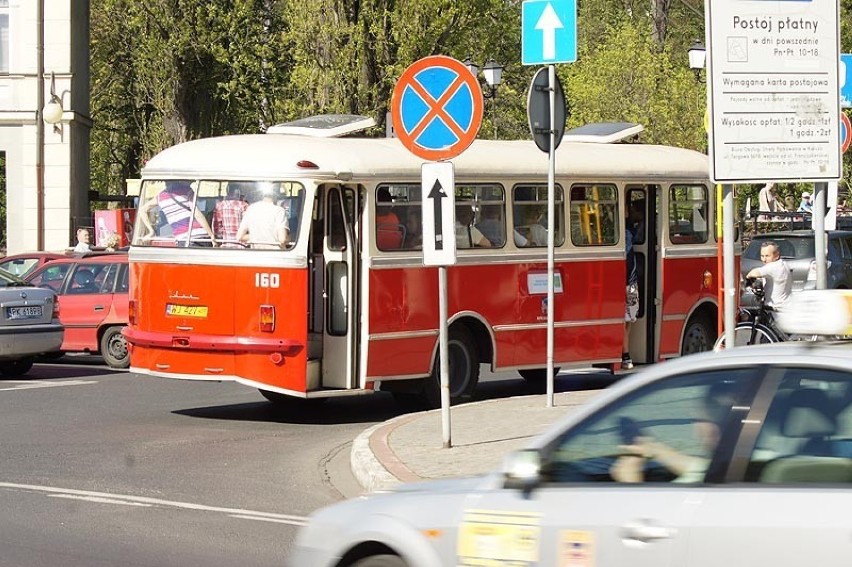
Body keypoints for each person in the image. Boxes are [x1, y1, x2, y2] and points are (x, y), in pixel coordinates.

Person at [610, 380, 740, 483]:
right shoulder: (744, 463)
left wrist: (630, 479)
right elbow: (700, 468)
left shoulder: (705, 489)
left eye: (698, 419)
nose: (695, 425)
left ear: (712, 429)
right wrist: (653, 448)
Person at [138, 180, 216, 245]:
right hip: (201, 236)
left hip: (183, 239)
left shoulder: (161, 197)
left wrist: (151, 231)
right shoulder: (186, 190)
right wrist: (211, 235)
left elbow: (142, 210)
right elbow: (197, 214)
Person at [622, 200, 643, 370]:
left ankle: (625, 353)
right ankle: (625, 355)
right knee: (627, 320)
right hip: (628, 282)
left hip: (630, 282)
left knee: (629, 320)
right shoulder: (627, 233)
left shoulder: (627, 231)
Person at [235, 183, 288, 249]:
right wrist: (289, 237)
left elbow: (239, 237)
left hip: (256, 254)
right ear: (277, 194)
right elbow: (282, 239)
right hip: (275, 254)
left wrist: (257, 236)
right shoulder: (279, 211)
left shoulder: (251, 209)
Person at [746, 240, 792, 308]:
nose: (764, 259)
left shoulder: (774, 266)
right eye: (762, 256)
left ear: (776, 255)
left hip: (775, 309)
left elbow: (753, 273)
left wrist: (747, 280)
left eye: (767, 256)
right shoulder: (783, 264)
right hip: (786, 305)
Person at [213, 183, 249, 247]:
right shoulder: (243, 205)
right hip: (241, 246)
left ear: (227, 191)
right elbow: (247, 226)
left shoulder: (219, 205)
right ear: (238, 192)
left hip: (226, 245)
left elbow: (216, 230)